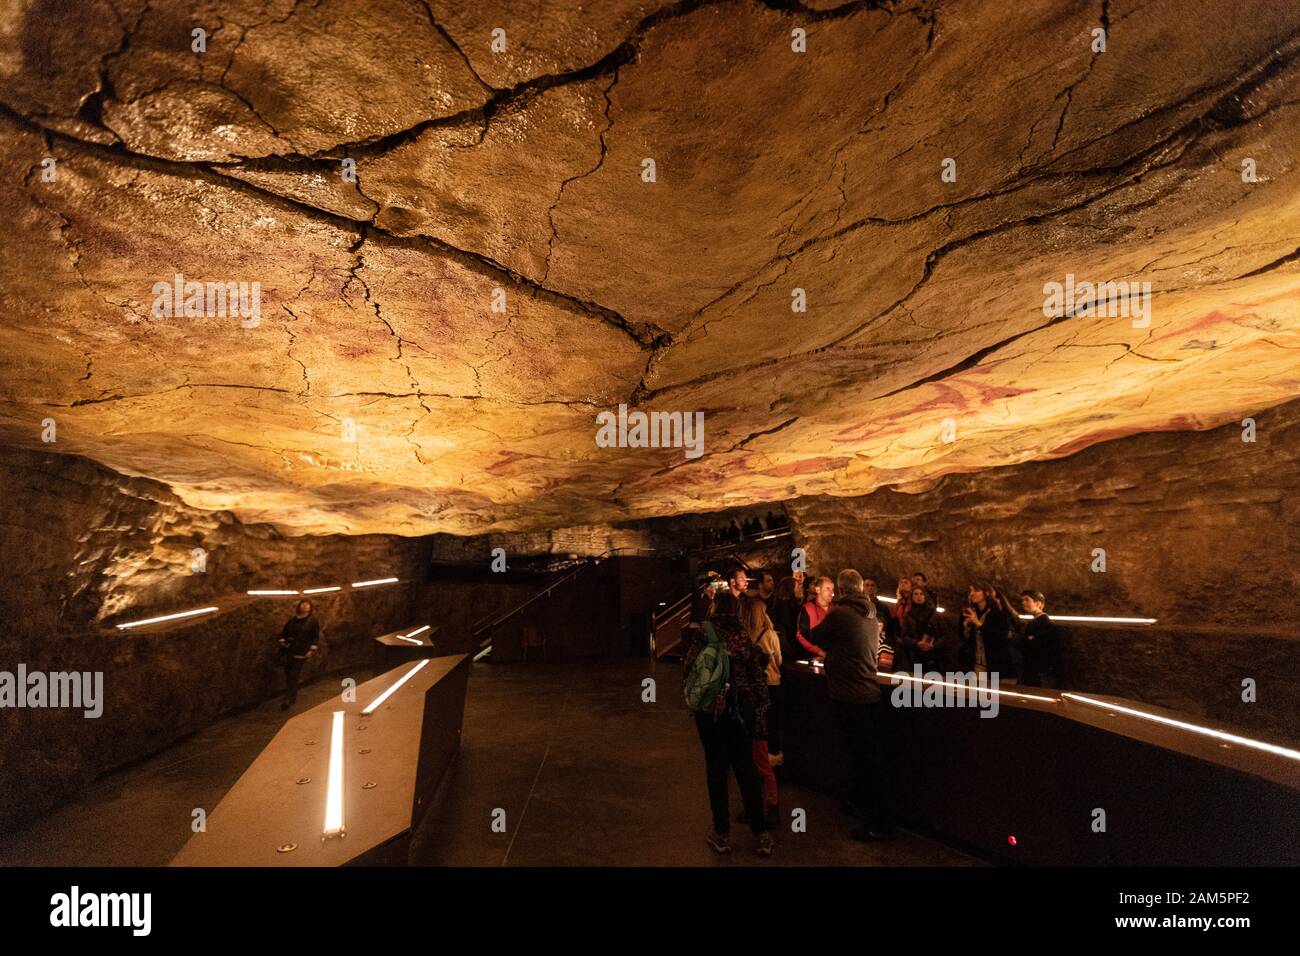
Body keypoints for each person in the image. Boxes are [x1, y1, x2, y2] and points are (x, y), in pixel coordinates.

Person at [814, 569, 895, 841]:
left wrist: (824, 609)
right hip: (869, 692)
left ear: (840, 589)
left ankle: (879, 822)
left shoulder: (840, 614)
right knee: (868, 757)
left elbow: (815, 636)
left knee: (866, 760)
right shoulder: (870, 611)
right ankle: (862, 805)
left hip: (849, 695)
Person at [691, 591, 774, 856]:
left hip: (711, 712)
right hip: (741, 709)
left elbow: (691, 670)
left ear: (715, 607)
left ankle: (722, 833)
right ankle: (761, 834)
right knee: (745, 768)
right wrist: (760, 709)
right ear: (736, 610)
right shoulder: (742, 634)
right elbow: (756, 676)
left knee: (716, 770)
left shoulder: (704, 632)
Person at [741, 595, 783, 822]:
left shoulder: (744, 639)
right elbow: (779, 660)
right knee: (762, 758)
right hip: (771, 687)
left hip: (751, 707)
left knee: (754, 759)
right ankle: (768, 805)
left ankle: (761, 806)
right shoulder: (771, 635)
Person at [959, 582, 1014, 680]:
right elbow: (966, 639)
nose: (971, 593)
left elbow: (1003, 636)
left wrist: (979, 624)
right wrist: (966, 629)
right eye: (970, 591)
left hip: (996, 664)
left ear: (987, 593)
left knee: (995, 694)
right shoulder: (971, 612)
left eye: (976, 590)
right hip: (977, 664)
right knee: (979, 694)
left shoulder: (997, 613)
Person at [1016, 590, 1065, 687]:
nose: (1023, 603)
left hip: (1039, 673)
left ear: (1038, 603)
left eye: (1027, 600)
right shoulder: (1039, 623)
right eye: (1022, 600)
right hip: (1040, 672)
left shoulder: (1043, 624)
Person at [277, 599, 321, 709]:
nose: (305, 606)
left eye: (307, 605)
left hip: (302, 651)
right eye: (303, 604)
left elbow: (315, 637)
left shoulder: (312, 621)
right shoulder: (292, 620)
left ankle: (288, 699)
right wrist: (282, 641)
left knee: (293, 674)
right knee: (288, 675)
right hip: (289, 650)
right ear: (299, 606)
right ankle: (292, 695)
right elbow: (284, 633)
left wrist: (312, 650)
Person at [896, 585, 940, 675]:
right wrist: (916, 643)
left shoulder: (934, 614)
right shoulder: (908, 615)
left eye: (921, 594)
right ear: (912, 597)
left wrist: (934, 645)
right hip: (914, 655)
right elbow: (904, 636)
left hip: (932, 656)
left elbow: (944, 635)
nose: (919, 596)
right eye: (916, 594)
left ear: (925, 596)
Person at [796, 575, 834, 658]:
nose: (831, 593)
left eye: (832, 589)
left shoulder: (836, 609)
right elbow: (801, 635)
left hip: (833, 657)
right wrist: (819, 651)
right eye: (828, 589)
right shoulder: (808, 608)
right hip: (813, 656)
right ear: (818, 590)